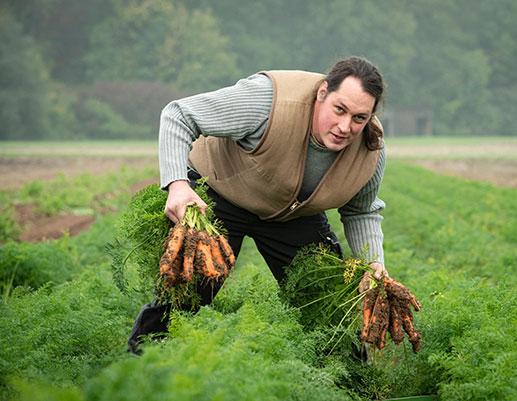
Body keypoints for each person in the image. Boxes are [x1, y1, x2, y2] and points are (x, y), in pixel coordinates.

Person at [128, 56, 389, 354]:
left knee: (324, 302)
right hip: (221, 191)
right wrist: (177, 185)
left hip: (293, 214)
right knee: (189, 288)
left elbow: (361, 210)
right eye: (339, 110)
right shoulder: (268, 100)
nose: (345, 126)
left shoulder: (371, 149)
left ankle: (350, 386)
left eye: (359, 118)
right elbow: (178, 114)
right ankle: (143, 363)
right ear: (322, 93)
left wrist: (373, 263)